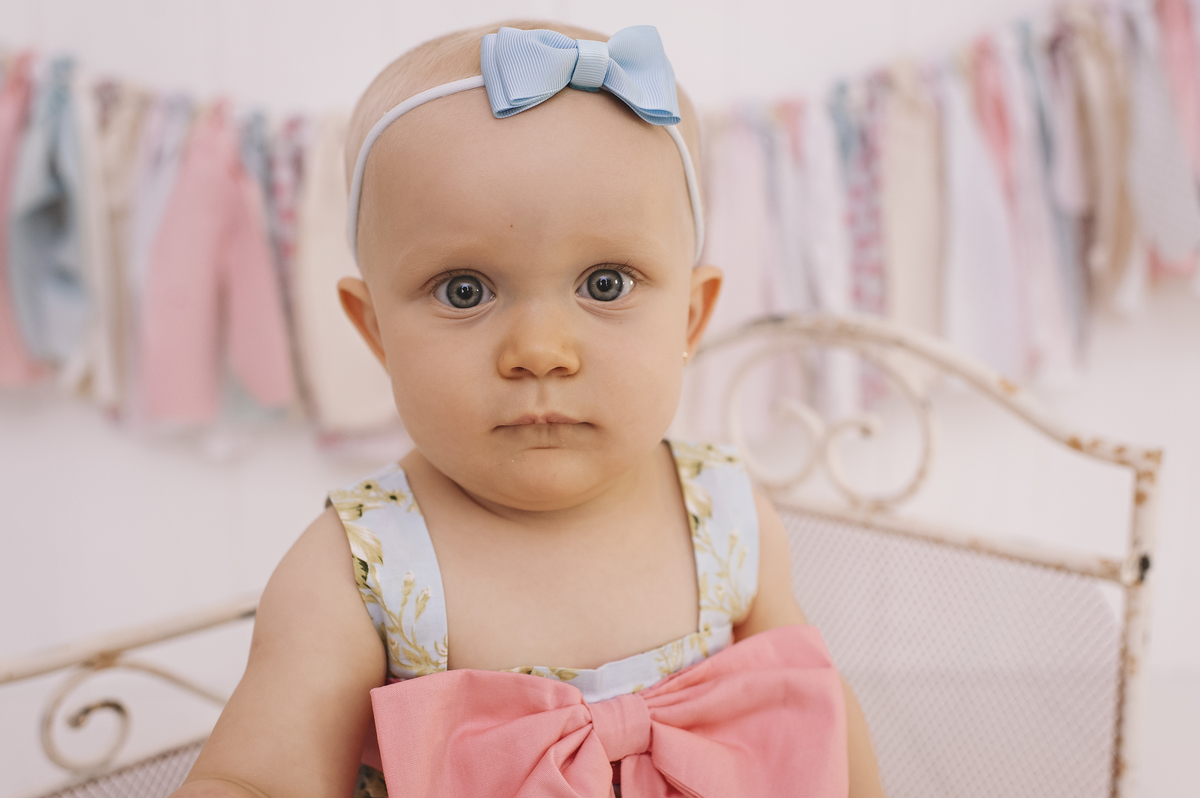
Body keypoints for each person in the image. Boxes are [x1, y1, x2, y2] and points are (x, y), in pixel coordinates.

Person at [173, 20, 885, 798]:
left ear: (689, 316)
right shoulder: (360, 569)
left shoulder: (725, 515)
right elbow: (256, 779)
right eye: (464, 291)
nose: (539, 349)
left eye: (605, 284)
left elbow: (810, 718)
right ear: (375, 330)